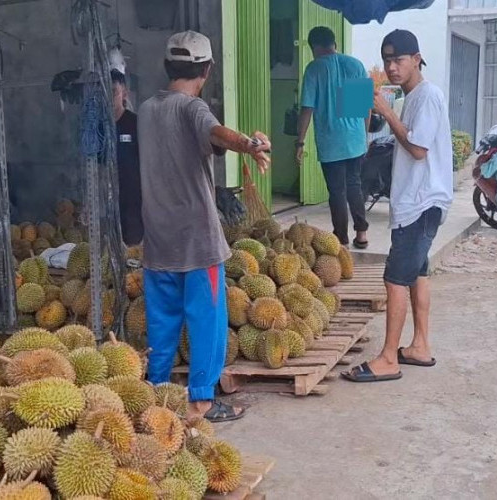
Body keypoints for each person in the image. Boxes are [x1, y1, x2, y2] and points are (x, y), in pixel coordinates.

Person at [138, 31, 271, 422]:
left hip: (157, 239)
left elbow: (204, 140)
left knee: (161, 321)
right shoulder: (192, 109)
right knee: (206, 321)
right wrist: (249, 144)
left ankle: (157, 394)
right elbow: (216, 132)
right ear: (207, 70)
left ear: (167, 66)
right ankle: (201, 401)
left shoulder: (147, 110)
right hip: (197, 241)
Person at [343, 30, 453, 383]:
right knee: (417, 274)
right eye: (387, 60)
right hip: (418, 202)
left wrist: (387, 111)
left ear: (417, 58)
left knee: (394, 278)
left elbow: (419, 148)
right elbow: (407, 141)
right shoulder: (413, 98)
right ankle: (420, 345)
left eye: (398, 60)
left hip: (421, 203)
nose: (391, 67)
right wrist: (378, 116)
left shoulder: (428, 96)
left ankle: (389, 358)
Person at [296, 26, 370, 249]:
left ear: (314, 47)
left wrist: (299, 142)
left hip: (331, 142)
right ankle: (362, 233)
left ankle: (341, 238)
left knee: (337, 190)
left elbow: (307, 109)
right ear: (334, 43)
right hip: (355, 140)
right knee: (354, 184)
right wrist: (363, 136)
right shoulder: (354, 64)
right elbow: (363, 108)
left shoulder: (315, 69)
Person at [111, 69, 144, 247]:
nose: (109, 98)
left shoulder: (135, 124)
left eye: (113, 92)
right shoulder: (97, 129)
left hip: (133, 201)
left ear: (124, 93)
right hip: (106, 203)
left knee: (132, 249)